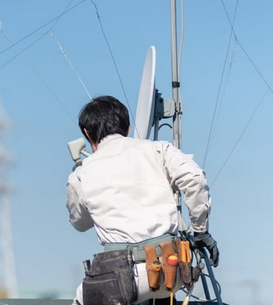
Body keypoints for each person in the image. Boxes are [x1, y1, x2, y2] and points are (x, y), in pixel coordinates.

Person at [66, 95, 219, 305]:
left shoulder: (81, 174)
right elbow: (195, 178)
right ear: (127, 127)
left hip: (117, 278)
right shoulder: (158, 150)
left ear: (86, 133)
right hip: (170, 272)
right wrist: (200, 231)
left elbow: (80, 223)